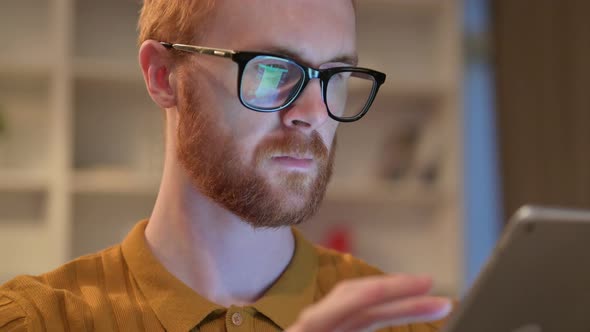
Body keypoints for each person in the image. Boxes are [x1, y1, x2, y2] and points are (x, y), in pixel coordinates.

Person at [0, 1, 454, 331]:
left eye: (334, 75)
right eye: (273, 70)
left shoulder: (404, 325)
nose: (314, 112)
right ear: (163, 75)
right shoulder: (37, 320)